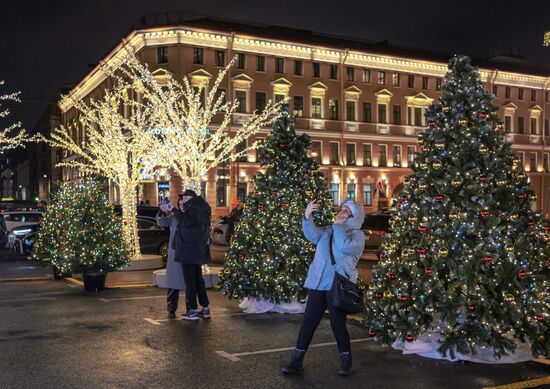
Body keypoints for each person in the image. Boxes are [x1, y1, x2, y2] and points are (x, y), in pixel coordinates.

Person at [282, 199, 365, 376]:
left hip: (337, 286)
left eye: (347, 211)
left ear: (354, 216)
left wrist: (338, 226)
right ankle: (296, 361)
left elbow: (344, 247)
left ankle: (346, 361)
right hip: (318, 284)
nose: (342, 212)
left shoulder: (357, 236)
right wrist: (307, 215)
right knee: (308, 323)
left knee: (337, 325)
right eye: (342, 209)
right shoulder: (329, 230)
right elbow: (312, 235)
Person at [172, 189, 212, 320]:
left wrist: (174, 210)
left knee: (190, 282)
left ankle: (193, 310)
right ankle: (205, 308)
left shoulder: (193, 208)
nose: (182, 200)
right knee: (198, 281)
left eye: (184, 198)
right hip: (197, 249)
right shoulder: (202, 208)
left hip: (188, 250)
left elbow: (186, 223)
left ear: (189, 198)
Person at [156, 195, 187, 319]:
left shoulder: (187, 216)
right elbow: (162, 222)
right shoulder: (174, 216)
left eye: (182, 204)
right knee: (173, 282)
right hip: (174, 254)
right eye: (179, 204)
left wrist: (173, 209)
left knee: (189, 283)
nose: (181, 206)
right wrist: (161, 211)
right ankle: (171, 308)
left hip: (186, 253)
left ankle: (191, 308)